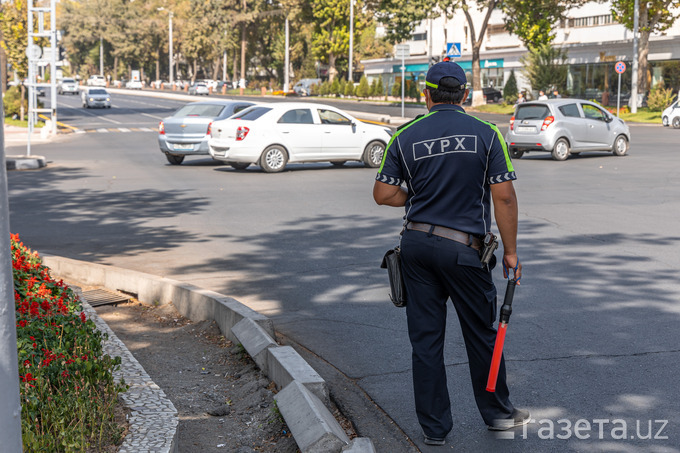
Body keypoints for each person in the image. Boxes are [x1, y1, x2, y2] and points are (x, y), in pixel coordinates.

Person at [373, 61, 528, 446]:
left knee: (426, 342)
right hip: (465, 251)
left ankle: (434, 430)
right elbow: (504, 196)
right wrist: (510, 253)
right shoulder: (487, 134)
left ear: (426, 95)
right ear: (463, 94)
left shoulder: (404, 134)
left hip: (417, 247)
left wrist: (420, 196)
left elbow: (384, 194)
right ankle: (498, 415)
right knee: (481, 335)